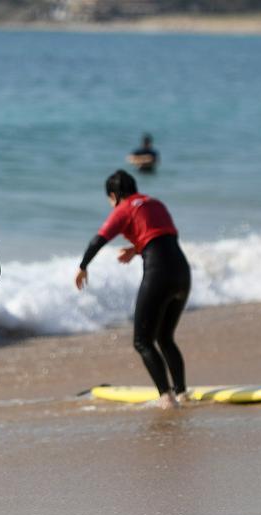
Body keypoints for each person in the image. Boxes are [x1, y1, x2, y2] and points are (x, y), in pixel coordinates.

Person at [74, 169, 191, 410]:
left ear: (114, 195)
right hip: (182, 272)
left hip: (159, 273)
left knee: (142, 341)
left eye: (110, 200)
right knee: (165, 337)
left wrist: (83, 266)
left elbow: (99, 239)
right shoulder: (155, 203)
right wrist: (136, 248)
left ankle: (166, 398)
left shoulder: (124, 208)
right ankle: (182, 393)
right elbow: (161, 236)